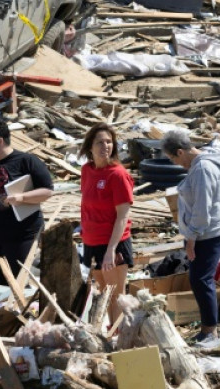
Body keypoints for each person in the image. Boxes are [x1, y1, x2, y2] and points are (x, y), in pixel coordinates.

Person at [161, 129, 220, 350]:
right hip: (205, 233)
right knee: (199, 278)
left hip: (207, 234)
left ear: (181, 151)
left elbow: (202, 209)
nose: (176, 163)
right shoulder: (203, 163)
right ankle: (207, 329)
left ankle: (211, 331)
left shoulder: (202, 168)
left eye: (174, 158)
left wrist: (191, 238)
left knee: (201, 280)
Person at [0, 119, 54, 285]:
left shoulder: (26, 162)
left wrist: (21, 198)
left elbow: (47, 191)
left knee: (18, 278)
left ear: (0, 141)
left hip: (20, 233)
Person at [78, 123, 134, 326]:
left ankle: (120, 338)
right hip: (92, 242)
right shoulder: (87, 171)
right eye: (100, 142)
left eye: (109, 142)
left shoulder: (117, 175)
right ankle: (111, 335)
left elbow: (122, 216)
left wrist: (111, 249)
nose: (105, 146)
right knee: (103, 295)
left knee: (116, 296)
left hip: (113, 243)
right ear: (90, 147)